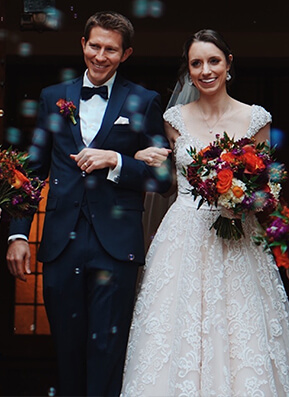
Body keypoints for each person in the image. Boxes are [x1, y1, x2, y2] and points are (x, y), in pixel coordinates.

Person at [6, 11, 171, 397]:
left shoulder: (144, 101)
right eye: (94, 46)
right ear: (83, 45)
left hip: (115, 247)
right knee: (67, 350)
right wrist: (17, 233)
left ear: (125, 54)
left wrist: (117, 161)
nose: (100, 56)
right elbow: (30, 171)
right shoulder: (53, 98)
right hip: (61, 244)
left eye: (110, 49)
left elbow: (162, 180)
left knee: (107, 350)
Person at [121, 29, 289, 396]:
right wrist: (138, 156)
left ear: (229, 64)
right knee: (176, 330)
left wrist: (244, 197)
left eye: (214, 60)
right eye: (196, 63)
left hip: (238, 235)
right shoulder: (173, 119)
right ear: (189, 70)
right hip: (184, 234)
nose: (205, 70)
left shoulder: (256, 118)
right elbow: (161, 176)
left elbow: (266, 185)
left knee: (240, 332)